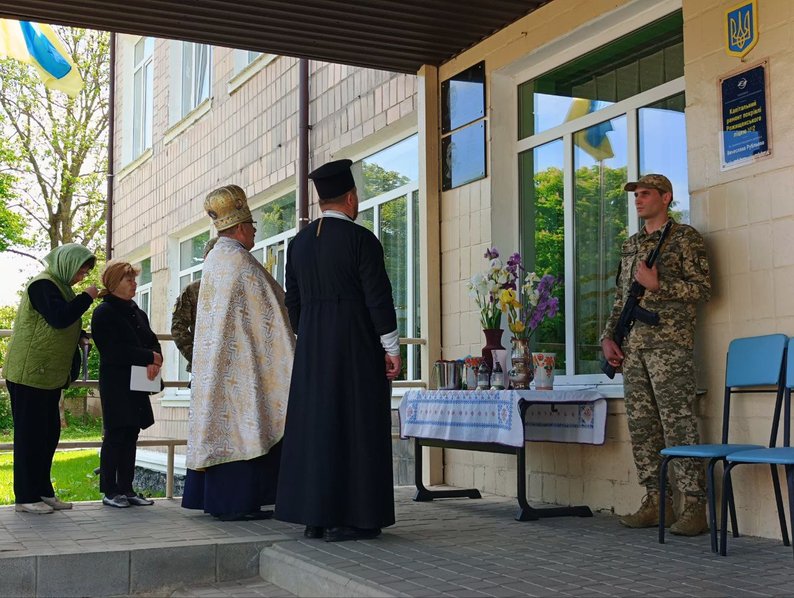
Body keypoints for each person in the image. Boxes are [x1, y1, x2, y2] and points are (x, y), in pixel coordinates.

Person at [275, 159, 402, 542]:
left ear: (320, 203)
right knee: (356, 427)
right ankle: (354, 518)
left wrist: (311, 333)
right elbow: (379, 300)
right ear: (351, 198)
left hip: (312, 350)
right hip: (356, 349)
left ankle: (315, 518)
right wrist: (391, 347)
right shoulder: (362, 240)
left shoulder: (297, 245)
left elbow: (291, 302)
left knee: (317, 428)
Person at [600, 174, 711, 536]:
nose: (639, 200)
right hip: (634, 348)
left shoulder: (684, 238)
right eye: (636, 195)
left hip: (670, 346)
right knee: (643, 427)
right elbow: (622, 298)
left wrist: (660, 285)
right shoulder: (631, 245)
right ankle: (655, 499)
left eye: (646, 194)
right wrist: (608, 338)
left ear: (666, 197)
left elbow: (703, 289)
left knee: (679, 425)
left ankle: (695, 506)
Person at [182, 184, 295, 521]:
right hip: (241, 366)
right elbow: (276, 307)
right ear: (243, 227)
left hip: (220, 364)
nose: (254, 234)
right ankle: (236, 502)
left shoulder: (215, 258)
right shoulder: (241, 262)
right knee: (245, 426)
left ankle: (223, 500)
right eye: (254, 228)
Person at [3, 243, 98, 514]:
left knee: (48, 435)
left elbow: (61, 324)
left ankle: (43, 492)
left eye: (86, 272)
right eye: (81, 270)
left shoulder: (61, 287)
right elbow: (58, 317)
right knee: (29, 436)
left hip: (48, 376)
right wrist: (87, 297)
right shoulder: (42, 285)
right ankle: (25, 497)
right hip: (28, 374)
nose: (82, 277)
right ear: (67, 263)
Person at [91, 260, 162, 508]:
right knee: (116, 434)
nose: (134, 283)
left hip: (138, 382)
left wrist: (155, 358)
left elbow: (152, 341)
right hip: (117, 383)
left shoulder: (136, 311)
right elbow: (113, 351)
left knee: (132, 432)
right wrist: (149, 357)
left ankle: (127, 488)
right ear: (113, 283)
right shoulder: (104, 312)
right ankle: (110, 490)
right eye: (128, 279)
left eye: (134, 279)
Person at [171, 237, 217, 373]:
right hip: (204, 367)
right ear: (206, 258)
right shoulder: (193, 290)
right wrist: (196, 357)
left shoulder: (238, 286)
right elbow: (178, 328)